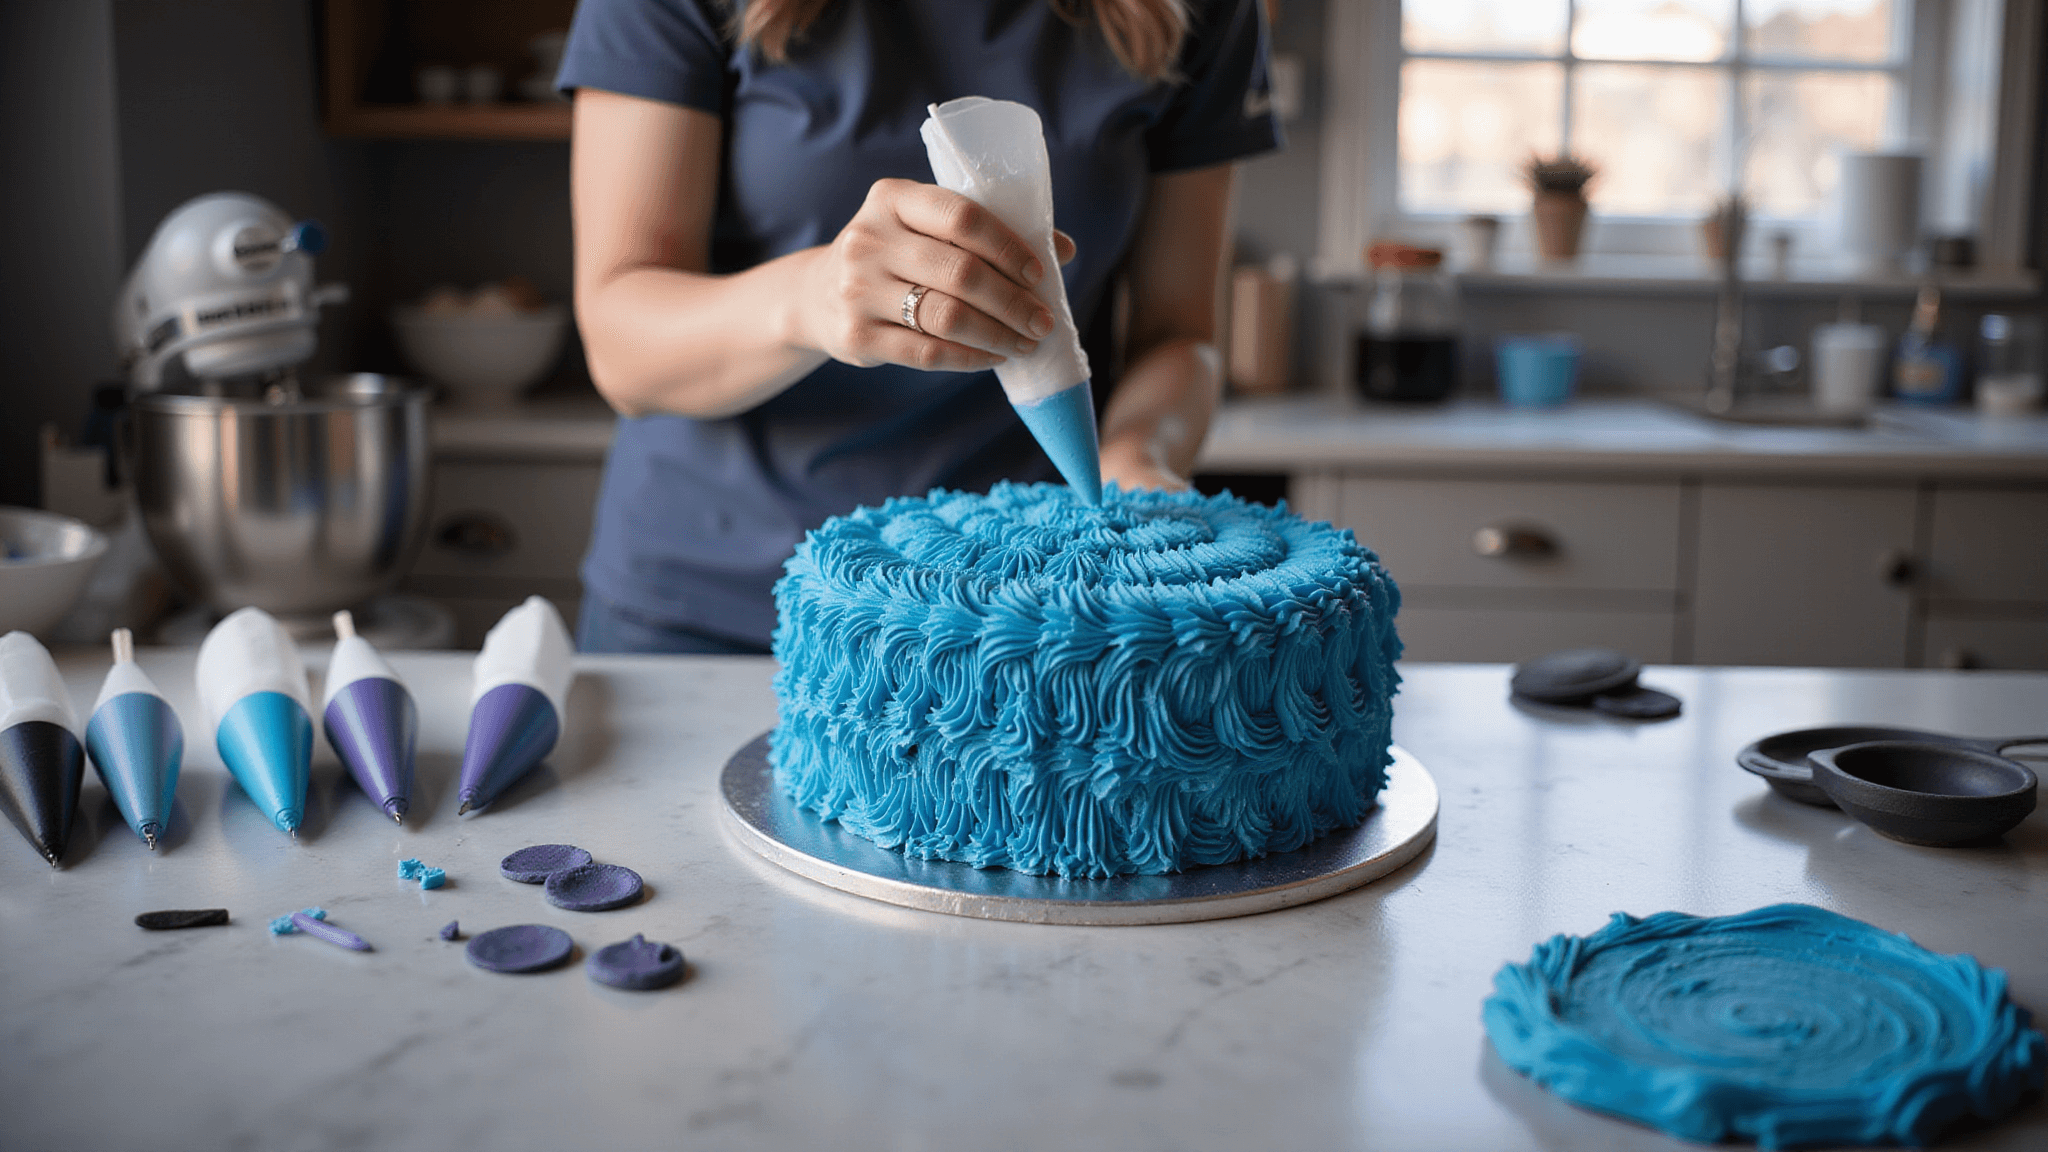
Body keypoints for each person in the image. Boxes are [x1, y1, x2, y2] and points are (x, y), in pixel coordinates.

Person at [559, 0, 1279, 654]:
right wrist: (813, 297)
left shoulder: (1202, 12)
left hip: (1020, 614)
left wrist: (1135, 461)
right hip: (709, 612)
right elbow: (622, 349)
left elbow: (1178, 334)